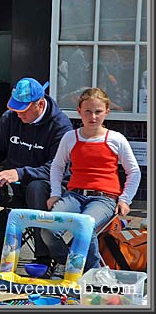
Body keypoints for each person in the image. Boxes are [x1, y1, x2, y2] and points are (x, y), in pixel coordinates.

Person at [0, 77, 73, 271]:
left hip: (45, 185)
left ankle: (43, 258)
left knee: (37, 188)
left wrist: (20, 173)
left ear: (40, 104)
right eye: (15, 109)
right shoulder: (10, 117)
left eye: (23, 110)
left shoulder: (61, 126)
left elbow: (57, 168)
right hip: (13, 182)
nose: (18, 115)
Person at [42, 88, 140, 274]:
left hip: (104, 198)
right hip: (74, 196)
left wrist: (125, 199)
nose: (93, 116)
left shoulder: (116, 139)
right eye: (87, 111)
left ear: (107, 112)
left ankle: (94, 274)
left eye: (98, 112)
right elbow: (57, 167)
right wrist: (55, 194)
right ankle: (68, 263)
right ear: (79, 111)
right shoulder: (70, 137)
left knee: (85, 227)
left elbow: (134, 171)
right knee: (48, 230)